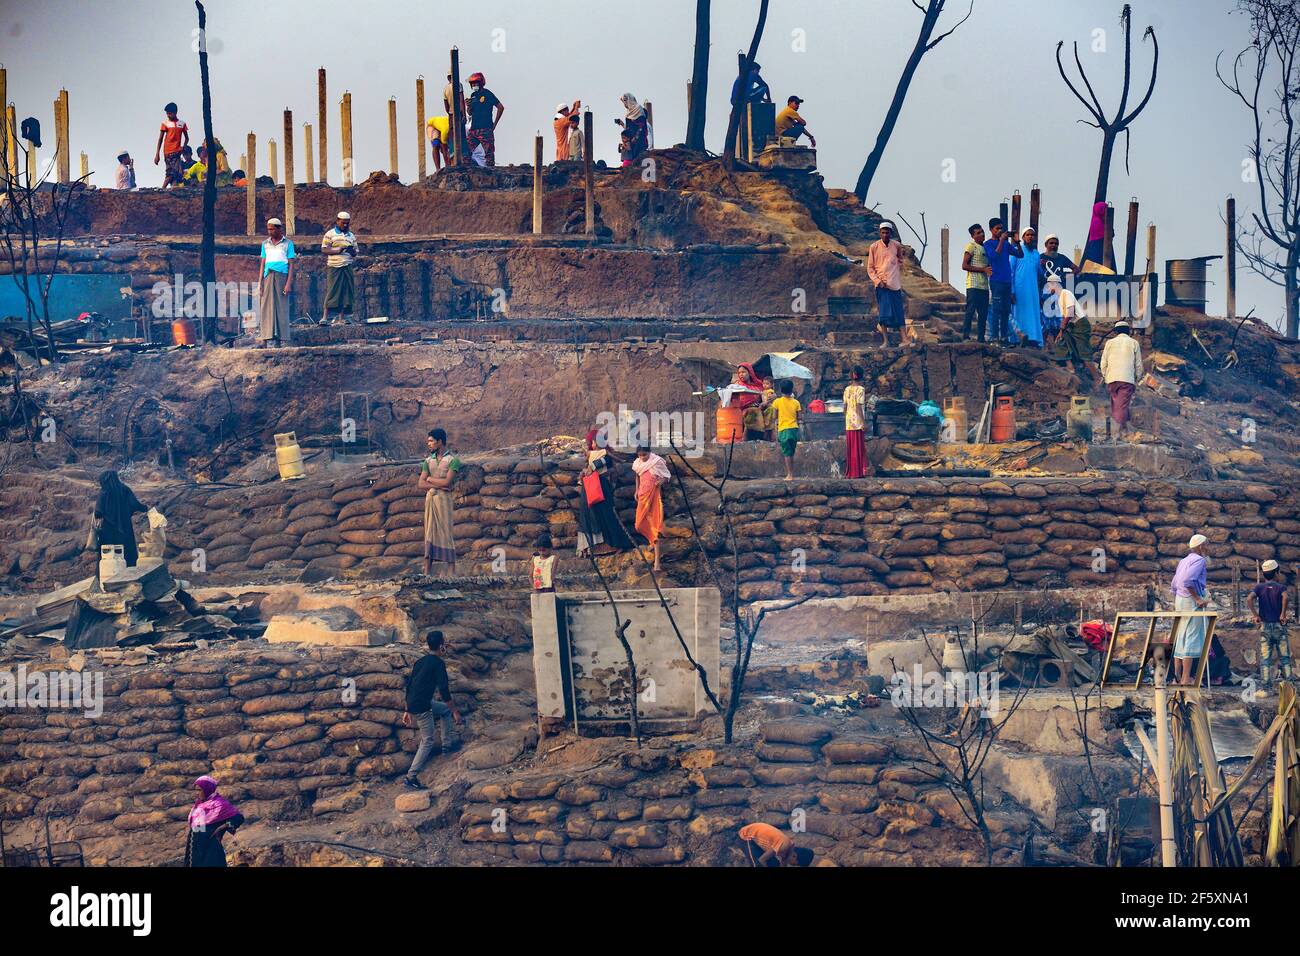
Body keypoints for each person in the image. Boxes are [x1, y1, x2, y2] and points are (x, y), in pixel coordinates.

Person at [402, 629, 464, 789]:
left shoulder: (420, 661)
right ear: (441, 646)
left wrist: (407, 709)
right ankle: (411, 776)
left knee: (444, 710)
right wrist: (456, 712)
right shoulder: (438, 664)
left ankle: (446, 746)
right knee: (427, 740)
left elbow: (409, 685)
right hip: (422, 706)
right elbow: (444, 691)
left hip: (416, 702)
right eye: (445, 642)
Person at [577, 428, 635, 556]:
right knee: (590, 515)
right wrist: (585, 471)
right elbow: (589, 468)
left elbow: (605, 461)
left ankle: (616, 544)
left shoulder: (604, 454)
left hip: (600, 487)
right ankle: (592, 546)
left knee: (606, 514)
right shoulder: (591, 455)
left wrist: (592, 467)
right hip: (590, 487)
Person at [420, 428, 461, 577]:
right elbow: (421, 483)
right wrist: (437, 484)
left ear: (440, 441)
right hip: (431, 499)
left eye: (431, 441)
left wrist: (430, 480)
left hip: (444, 501)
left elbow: (448, 481)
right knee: (429, 533)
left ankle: (451, 572)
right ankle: (427, 572)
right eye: (428, 441)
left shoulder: (453, 460)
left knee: (446, 532)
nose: (429, 443)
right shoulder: (428, 461)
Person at [1171, 534, 1211, 686]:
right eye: (1207, 545)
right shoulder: (1200, 560)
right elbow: (1188, 581)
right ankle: (1186, 678)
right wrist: (1197, 599)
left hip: (1180, 599)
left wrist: (1182, 597)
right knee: (1192, 636)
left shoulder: (1183, 560)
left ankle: (1177, 677)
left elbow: (1175, 584)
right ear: (1201, 546)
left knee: (1181, 635)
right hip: (1190, 600)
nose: (1208, 548)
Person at [1250, 559, 1293, 689]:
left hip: (1265, 627)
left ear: (1264, 574)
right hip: (1279, 626)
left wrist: (1256, 615)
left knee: (1265, 659)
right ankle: (1290, 686)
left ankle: (1266, 687)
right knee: (1285, 657)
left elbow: (1249, 598)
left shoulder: (1259, 587)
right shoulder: (1281, 587)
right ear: (1277, 573)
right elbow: (1285, 597)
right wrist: (1283, 614)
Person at [184, 775, 244, 867]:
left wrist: (222, 827)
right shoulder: (199, 804)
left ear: (208, 789)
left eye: (199, 790)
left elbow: (238, 818)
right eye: (196, 790)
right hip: (194, 847)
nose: (197, 793)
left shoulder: (220, 804)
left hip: (210, 848)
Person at [1099, 320, 1143, 441]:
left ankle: (1121, 430)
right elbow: (1138, 364)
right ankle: (1116, 434)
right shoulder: (1134, 343)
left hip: (1112, 379)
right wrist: (1137, 378)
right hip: (1127, 379)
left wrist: (1105, 376)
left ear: (1116, 332)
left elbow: (1103, 363)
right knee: (1121, 406)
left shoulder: (1109, 343)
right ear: (1128, 331)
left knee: (1116, 405)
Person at [94, 470, 148, 568]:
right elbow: (135, 505)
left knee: (108, 556)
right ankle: (129, 575)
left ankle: (107, 577)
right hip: (125, 527)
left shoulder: (104, 492)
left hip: (107, 530)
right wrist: (145, 508)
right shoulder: (125, 489)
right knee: (127, 553)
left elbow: (98, 513)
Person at [1046, 272, 1092, 384]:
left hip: (1080, 324)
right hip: (1072, 326)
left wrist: (1062, 328)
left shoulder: (1066, 293)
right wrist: (1061, 332)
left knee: (1083, 353)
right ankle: (1070, 367)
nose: (1048, 288)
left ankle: (1096, 377)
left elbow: (1070, 312)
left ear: (1055, 284)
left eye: (1049, 285)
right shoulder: (1059, 298)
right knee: (1061, 341)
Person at [983, 218, 1023, 344]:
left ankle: (1004, 338)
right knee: (996, 310)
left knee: (1006, 310)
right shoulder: (988, 244)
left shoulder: (1006, 244)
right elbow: (994, 256)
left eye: (1001, 228)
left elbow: (1020, 255)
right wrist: (1001, 240)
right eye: (997, 228)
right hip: (996, 281)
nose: (1000, 231)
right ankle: (995, 338)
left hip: (1007, 281)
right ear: (991, 230)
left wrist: (1017, 242)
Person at [868, 221, 907, 347]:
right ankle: (886, 341)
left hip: (894, 285)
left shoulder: (896, 245)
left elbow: (900, 259)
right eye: (883, 232)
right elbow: (870, 268)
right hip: (881, 287)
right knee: (884, 314)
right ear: (880, 233)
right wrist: (878, 281)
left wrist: (894, 270)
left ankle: (904, 340)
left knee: (898, 313)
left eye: (887, 232)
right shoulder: (874, 247)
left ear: (891, 233)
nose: (885, 235)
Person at [257, 218, 295, 347]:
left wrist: (288, 283)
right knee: (266, 307)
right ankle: (266, 338)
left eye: (272, 229)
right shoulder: (265, 244)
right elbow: (263, 263)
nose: (269, 231)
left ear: (279, 229)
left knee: (281, 306)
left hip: (281, 276)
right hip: (268, 276)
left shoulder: (288, 243)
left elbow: (291, 264)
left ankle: (280, 338)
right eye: (268, 229)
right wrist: (260, 283)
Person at [632, 445, 671, 571]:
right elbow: (637, 475)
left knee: (655, 528)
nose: (642, 458)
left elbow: (666, 475)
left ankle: (657, 564)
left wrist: (662, 481)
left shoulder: (656, 462)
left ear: (650, 452)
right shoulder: (638, 463)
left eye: (645, 455)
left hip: (653, 498)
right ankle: (651, 541)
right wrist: (636, 490)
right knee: (638, 525)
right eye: (640, 455)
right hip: (642, 498)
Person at [1009, 226, 1044, 347]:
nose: (1030, 237)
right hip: (1019, 289)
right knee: (1019, 312)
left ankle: (1033, 338)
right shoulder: (1015, 251)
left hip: (1033, 290)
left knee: (1033, 313)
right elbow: (1011, 272)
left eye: (1032, 235)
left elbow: (1040, 273)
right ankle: (1018, 338)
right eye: (1028, 235)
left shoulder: (1036, 254)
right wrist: (1012, 291)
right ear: (1023, 237)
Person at [321, 211, 357, 325]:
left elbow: (356, 252)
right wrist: (338, 250)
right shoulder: (330, 234)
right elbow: (324, 249)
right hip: (334, 266)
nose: (345, 225)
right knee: (332, 290)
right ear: (337, 221)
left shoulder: (351, 236)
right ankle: (324, 317)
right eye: (343, 223)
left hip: (347, 265)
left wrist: (351, 251)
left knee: (346, 292)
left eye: (347, 223)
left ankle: (342, 318)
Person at [464, 72, 504, 167]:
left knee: (489, 156)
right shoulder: (473, 95)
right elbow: (470, 113)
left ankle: (491, 176)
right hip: (474, 129)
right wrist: (468, 106)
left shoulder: (487, 94)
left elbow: (500, 107)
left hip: (485, 129)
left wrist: (494, 124)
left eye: (475, 83)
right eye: (472, 84)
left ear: (481, 83)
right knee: (466, 153)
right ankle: (469, 173)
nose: (474, 85)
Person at [961, 223, 992, 340]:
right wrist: (982, 269)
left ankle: (981, 338)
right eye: (978, 233)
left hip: (984, 286)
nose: (982, 234)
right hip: (973, 285)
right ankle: (966, 336)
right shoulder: (971, 246)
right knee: (970, 311)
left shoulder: (986, 248)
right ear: (973, 236)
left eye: (982, 231)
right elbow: (964, 265)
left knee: (983, 313)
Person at [737, 821, 813, 867]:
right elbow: (762, 860)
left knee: (774, 864)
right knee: (757, 865)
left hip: (759, 842)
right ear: (794, 856)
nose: (792, 865)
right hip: (747, 836)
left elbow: (783, 864)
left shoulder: (789, 850)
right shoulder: (783, 847)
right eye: (794, 864)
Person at [772, 380, 802, 481]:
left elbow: (775, 416)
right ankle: (791, 473)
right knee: (791, 452)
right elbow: (799, 417)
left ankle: (790, 475)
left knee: (786, 453)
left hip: (783, 429)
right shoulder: (796, 402)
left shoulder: (777, 402)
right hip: (794, 429)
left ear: (781, 390)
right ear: (791, 389)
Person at [154, 102, 189, 188]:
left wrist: (183, 147)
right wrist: (157, 154)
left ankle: (172, 189)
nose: (168, 115)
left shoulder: (182, 124)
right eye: (167, 114)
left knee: (176, 174)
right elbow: (160, 139)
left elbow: (187, 138)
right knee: (171, 173)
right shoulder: (165, 124)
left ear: (175, 112)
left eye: (170, 113)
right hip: (168, 152)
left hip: (177, 152)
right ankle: (163, 188)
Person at [844, 366, 869, 478]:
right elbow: (859, 406)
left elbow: (844, 407)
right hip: (858, 421)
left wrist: (848, 416)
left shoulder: (846, 389)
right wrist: (863, 422)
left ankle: (852, 472)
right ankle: (858, 472)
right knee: (858, 447)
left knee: (851, 448)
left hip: (849, 421)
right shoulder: (861, 390)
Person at [616, 94, 649, 165]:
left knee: (637, 158)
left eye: (625, 100)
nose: (624, 103)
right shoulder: (628, 112)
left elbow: (641, 125)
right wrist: (622, 124)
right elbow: (629, 128)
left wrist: (636, 137)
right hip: (631, 140)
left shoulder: (638, 109)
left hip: (639, 140)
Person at [1081, 201, 1109, 271]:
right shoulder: (1098, 221)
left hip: (1099, 245)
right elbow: (1109, 234)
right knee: (1099, 266)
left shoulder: (1098, 219)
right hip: (1099, 246)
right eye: (1105, 209)